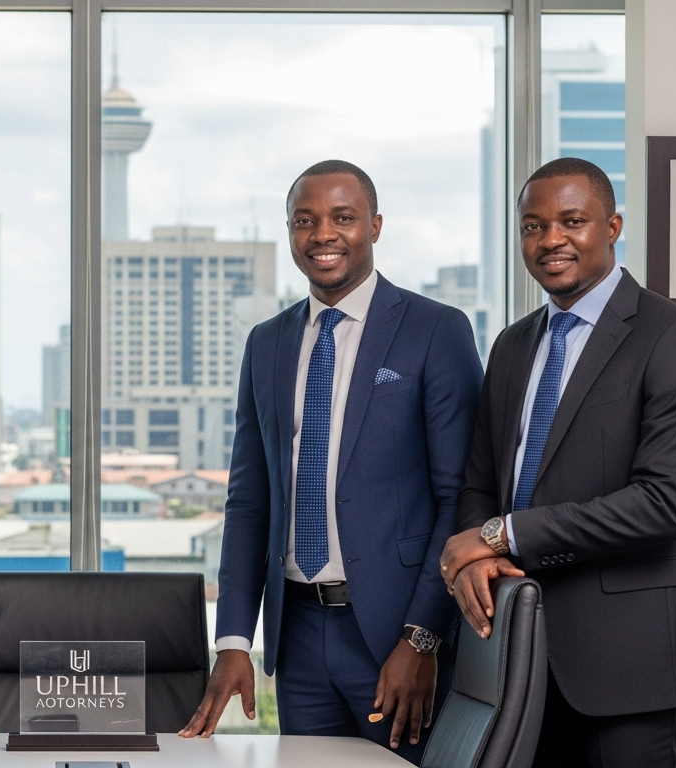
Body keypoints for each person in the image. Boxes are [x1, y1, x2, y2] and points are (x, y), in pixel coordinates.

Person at [181, 160, 483, 762]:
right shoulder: (266, 342)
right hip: (298, 637)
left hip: (395, 635)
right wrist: (234, 640)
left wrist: (422, 637)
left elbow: (462, 495)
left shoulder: (436, 330)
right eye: (305, 220)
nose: (323, 234)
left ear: (374, 226)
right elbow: (250, 500)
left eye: (343, 217)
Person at [441, 157, 676, 768]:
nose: (551, 240)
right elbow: (480, 483)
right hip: (517, 662)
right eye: (533, 226)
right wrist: (476, 559)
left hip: (633, 670)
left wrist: (500, 535)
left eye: (572, 221)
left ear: (612, 226)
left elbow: (662, 505)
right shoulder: (512, 344)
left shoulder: (675, 336)